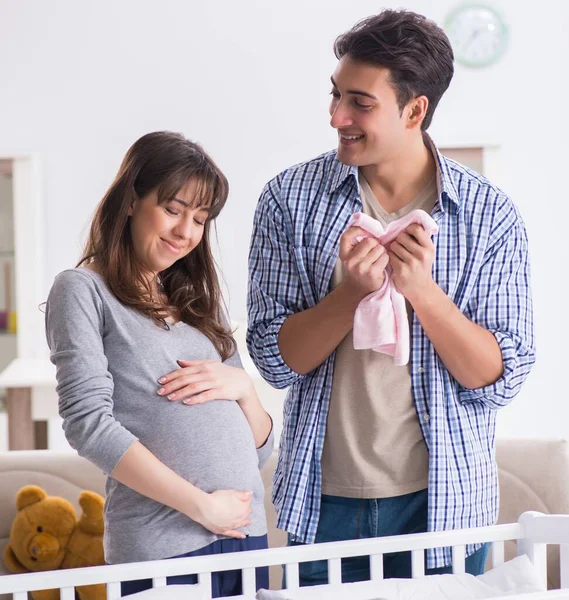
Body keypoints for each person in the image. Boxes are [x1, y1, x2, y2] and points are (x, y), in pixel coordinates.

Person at [247, 9, 535, 585]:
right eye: (334, 97)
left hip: (445, 506)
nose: (336, 117)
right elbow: (275, 361)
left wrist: (423, 294)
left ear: (414, 109)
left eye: (359, 102)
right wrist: (347, 295)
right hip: (321, 502)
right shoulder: (287, 201)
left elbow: (500, 378)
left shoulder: (490, 217)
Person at [45, 131, 273, 597]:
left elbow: (258, 452)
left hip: (245, 538)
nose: (186, 232)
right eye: (172, 210)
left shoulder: (199, 304)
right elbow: (88, 425)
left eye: (200, 218)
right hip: (162, 545)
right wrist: (200, 507)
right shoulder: (82, 290)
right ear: (131, 200)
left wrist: (245, 389)